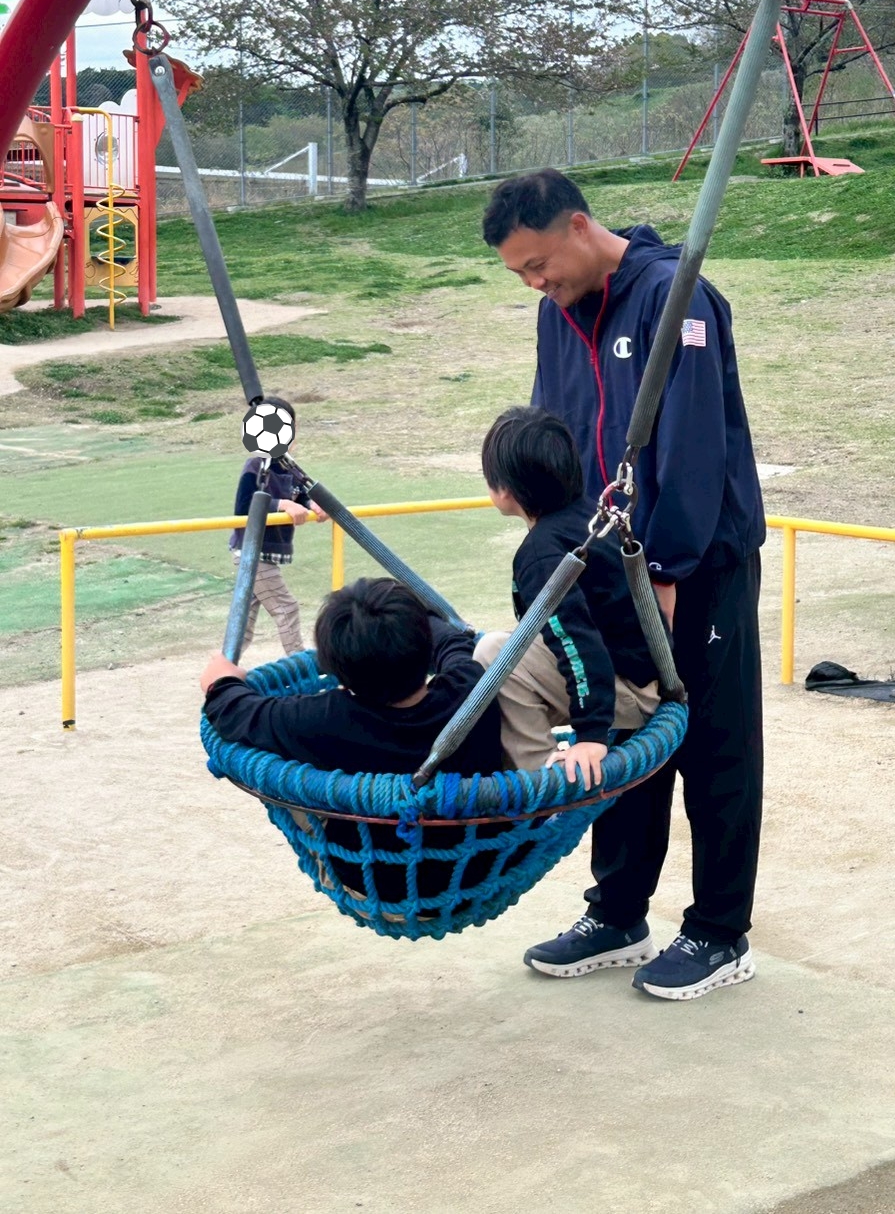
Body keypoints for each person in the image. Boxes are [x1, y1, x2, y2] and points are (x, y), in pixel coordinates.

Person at [482, 168, 765, 1002]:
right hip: (603, 562)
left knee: (712, 742)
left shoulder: (677, 298)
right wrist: (552, 539)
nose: (535, 283)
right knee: (613, 722)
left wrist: (666, 574)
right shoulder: (556, 314)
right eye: (520, 274)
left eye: (539, 264)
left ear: (578, 226)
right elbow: (555, 436)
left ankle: (719, 930)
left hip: (693, 565)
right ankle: (617, 911)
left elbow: (695, 447)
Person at [201, 577, 504, 905]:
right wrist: (406, 618)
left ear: (334, 669)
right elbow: (454, 642)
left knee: (279, 761)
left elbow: (232, 711)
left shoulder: (325, 718)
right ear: (425, 648)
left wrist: (220, 681)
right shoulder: (471, 689)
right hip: (477, 875)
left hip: (372, 887)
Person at [474, 405, 661, 810]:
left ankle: (539, 778)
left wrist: (591, 734)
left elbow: (577, 641)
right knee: (506, 647)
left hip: (627, 691)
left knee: (491, 656)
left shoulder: (541, 555)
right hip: (641, 673)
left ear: (504, 490)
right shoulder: (590, 517)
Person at [228, 397, 324, 656]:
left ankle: (225, 664)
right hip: (253, 553)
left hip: (265, 553)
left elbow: (300, 495)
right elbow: (245, 506)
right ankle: (299, 662)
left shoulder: (287, 466)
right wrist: (282, 504)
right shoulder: (256, 465)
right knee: (287, 608)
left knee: (243, 623)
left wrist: (312, 504)